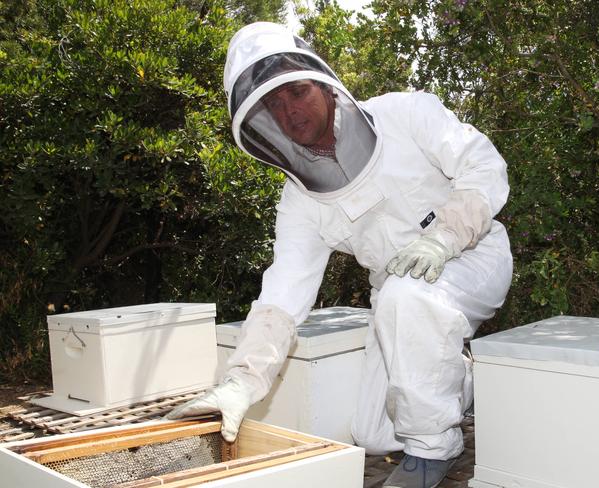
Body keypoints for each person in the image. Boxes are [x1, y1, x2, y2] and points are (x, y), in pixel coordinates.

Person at [167, 21, 513, 488]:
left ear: (327, 85)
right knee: (372, 432)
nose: (290, 112)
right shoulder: (300, 201)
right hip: (399, 294)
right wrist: (242, 381)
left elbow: (485, 167)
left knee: (404, 304)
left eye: (298, 91)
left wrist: (444, 237)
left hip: (472, 256)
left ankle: (435, 451)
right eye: (273, 104)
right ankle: (464, 383)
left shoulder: (407, 114)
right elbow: (284, 293)